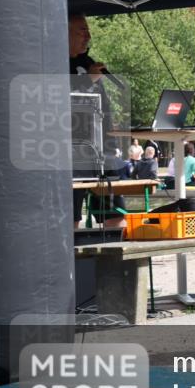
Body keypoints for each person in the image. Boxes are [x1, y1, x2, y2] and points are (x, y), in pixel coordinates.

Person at [68, 13, 127, 229]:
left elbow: (102, 104)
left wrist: (111, 137)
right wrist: (87, 81)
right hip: (74, 152)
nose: (88, 36)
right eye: (82, 30)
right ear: (64, 33)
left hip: (102, 150)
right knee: (72, 217)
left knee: (116, 213)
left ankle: (118, 259)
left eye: (88, 30)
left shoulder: (88, 62)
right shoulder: (54, 62)